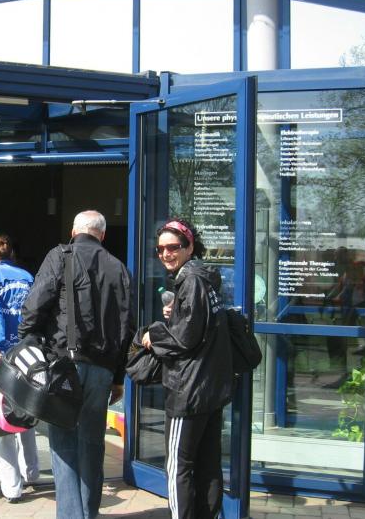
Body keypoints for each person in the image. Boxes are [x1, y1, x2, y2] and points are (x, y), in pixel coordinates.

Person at [20, 210, 133, 519]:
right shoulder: (119, 268)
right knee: (92, 443)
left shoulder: (60, 255)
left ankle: (71, 515)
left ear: (73, 231)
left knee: (63, 444)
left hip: (64, 365)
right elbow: (127, 327)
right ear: (102, 235)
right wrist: (118, 376)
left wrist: (26, 340)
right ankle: (88, 512)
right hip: (103, 369)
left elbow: (35, 303)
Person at [141, 218, 233, 519]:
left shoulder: (191, 280)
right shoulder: (202, 278)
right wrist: (175, 313)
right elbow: (198, 326)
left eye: (173, 247)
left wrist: (154, 334)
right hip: (209, 386)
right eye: (160, 249)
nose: (166, 254)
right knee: (207, 464)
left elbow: (185, 337)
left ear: (190, 246)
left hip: (189, 389)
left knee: (178, 465)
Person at [0, 233, 39, 503]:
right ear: (12, 253)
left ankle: (12, 487)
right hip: (26, 351)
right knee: (26, 412)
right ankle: (32, 472)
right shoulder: (27, 277)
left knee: (0, 418)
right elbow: (34, 314)